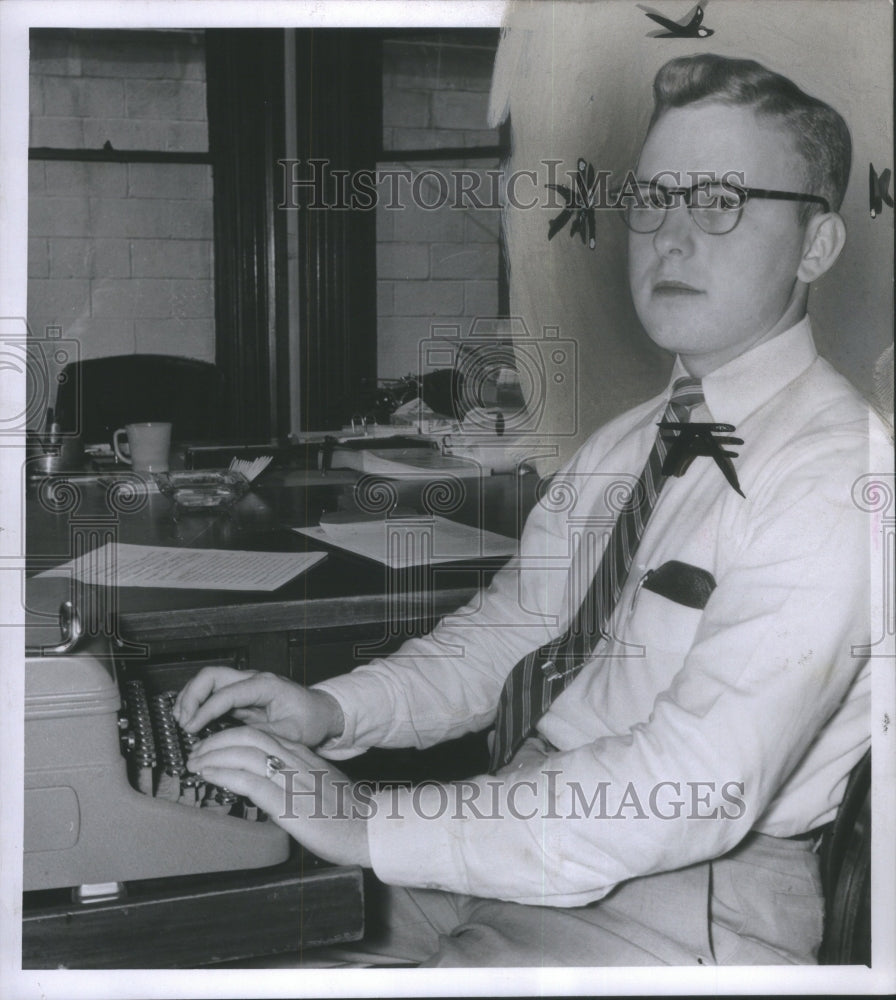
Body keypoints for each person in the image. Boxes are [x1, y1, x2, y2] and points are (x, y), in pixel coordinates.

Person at [173, 54, 889, 966]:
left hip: (686, 898)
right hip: (524, 827)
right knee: (228, 938)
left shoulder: (837, 475)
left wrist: (370, 818)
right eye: (653, 197)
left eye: (718, 200)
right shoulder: (627, 443)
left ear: (817, 245)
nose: (669, 235)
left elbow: (690, 788)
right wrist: (331, 711)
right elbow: (511, 634)